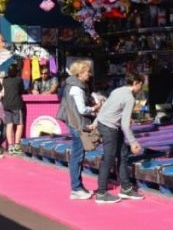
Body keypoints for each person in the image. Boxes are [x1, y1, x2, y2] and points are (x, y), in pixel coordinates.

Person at [94, 73, 146, 204]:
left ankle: (126, 188)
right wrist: (134, 143)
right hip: (110, 127)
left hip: (106, 124)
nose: (141, 87)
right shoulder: (130, 98)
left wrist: (95, 122)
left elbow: (106, 108)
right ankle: (101, 193)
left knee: (122, 155)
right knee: (109, 158)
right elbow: (125, 125)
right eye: (141, 84)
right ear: (136, 83)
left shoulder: (117, 90)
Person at [57, 60, 100, 200]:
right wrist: (94, 109)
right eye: (87, 72)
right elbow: (82, 109)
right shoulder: (77, 88)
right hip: (77, 125)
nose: (89, 74)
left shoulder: (72, 85)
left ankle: (77, 186)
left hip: (74, 123)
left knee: (78, 156)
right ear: (80, 73)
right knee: (77, 156)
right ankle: (76, 187)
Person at [2, 63, 26, 154]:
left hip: (6, 104)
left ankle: (10, 147)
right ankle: (17, 145)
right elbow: (22, 91)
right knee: (19, 124)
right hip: (16, 104)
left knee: (9, 125)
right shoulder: (19, 80)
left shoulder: (5, 80)